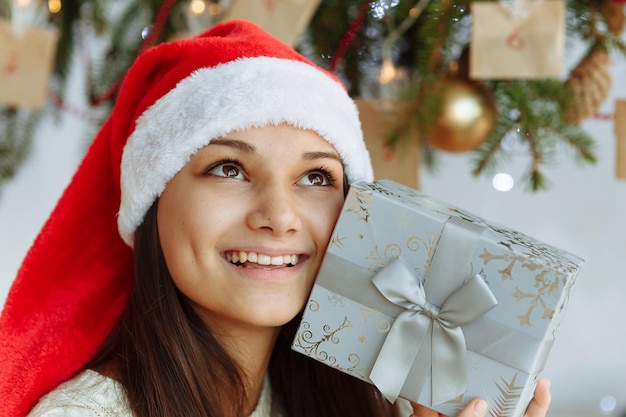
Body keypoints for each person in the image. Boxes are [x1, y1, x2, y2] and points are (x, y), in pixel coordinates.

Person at [0, 20, 551, 417]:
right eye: (228, 168)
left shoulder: (348, 400)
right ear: (151, 204)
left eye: (316, 178)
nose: (280, 216)